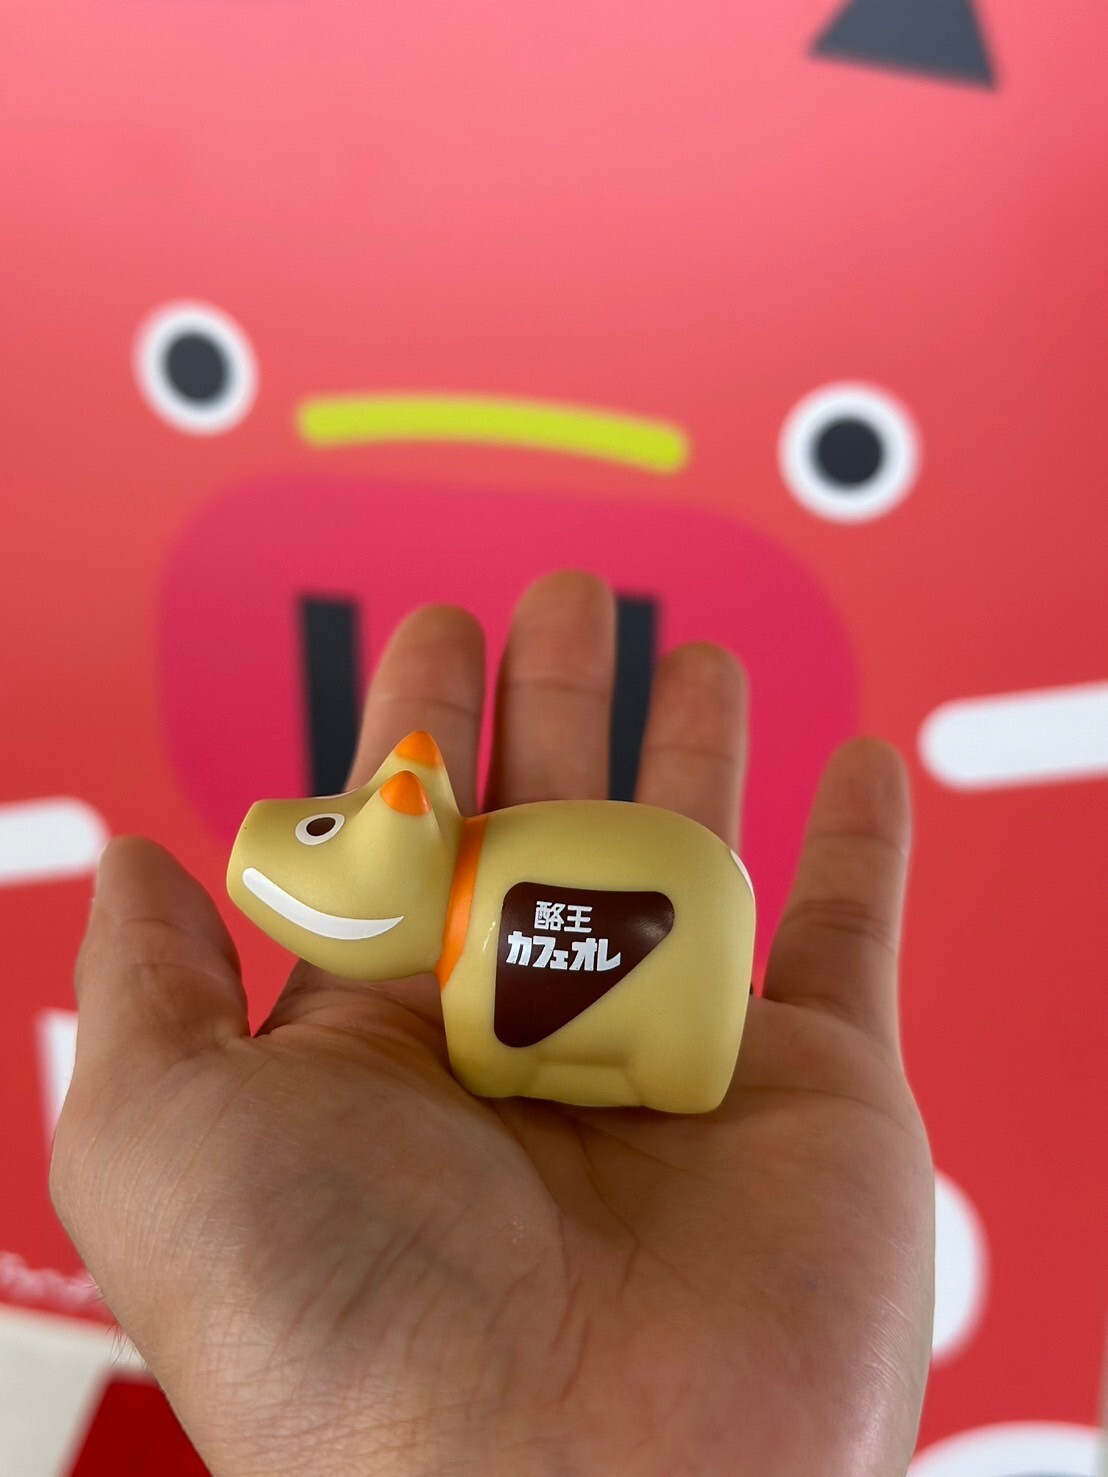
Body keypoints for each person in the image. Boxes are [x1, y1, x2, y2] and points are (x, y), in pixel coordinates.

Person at [50, 570, 935, 1476]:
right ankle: (669, 1057)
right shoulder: (467, 931)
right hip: (676, 907)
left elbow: (496, 1054)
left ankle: (674, 1057)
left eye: (326, 830)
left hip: (683, 931)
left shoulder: (473, 962)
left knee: (637, 1050)